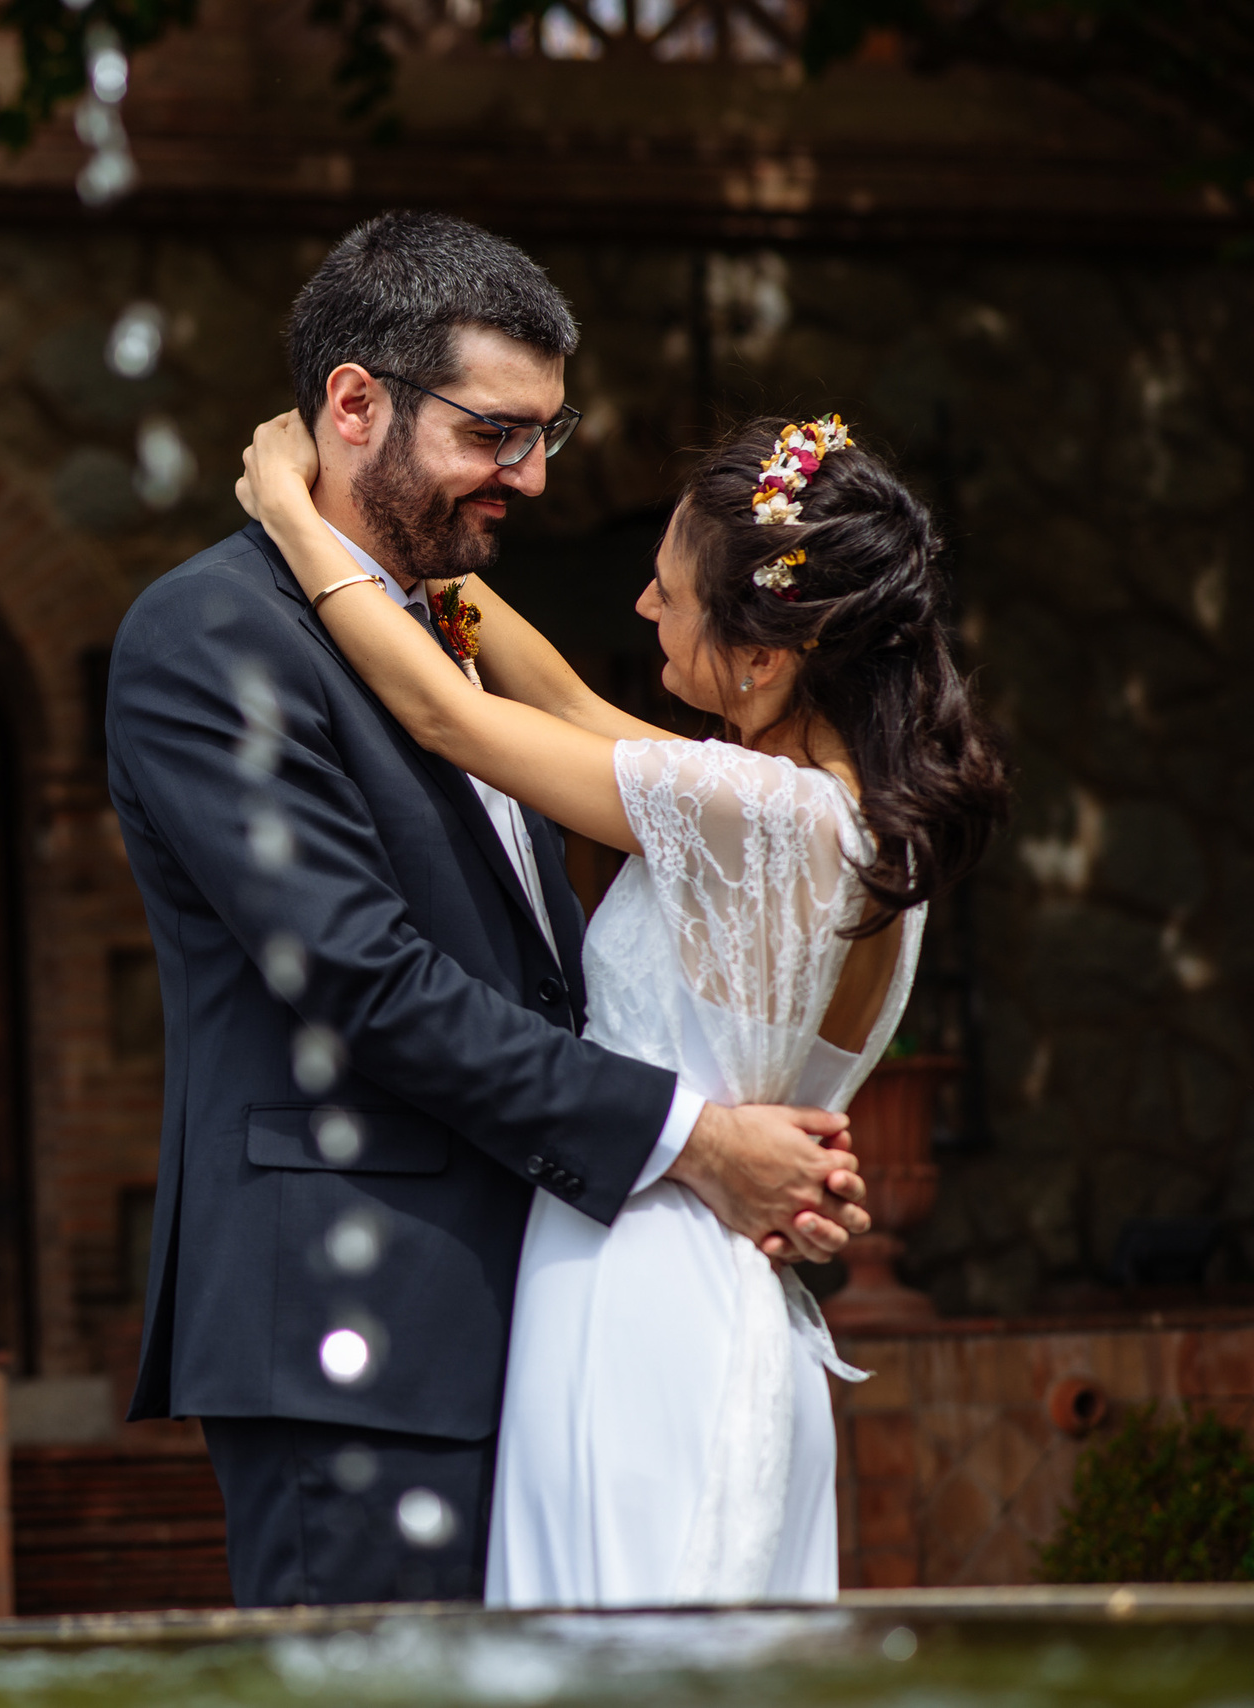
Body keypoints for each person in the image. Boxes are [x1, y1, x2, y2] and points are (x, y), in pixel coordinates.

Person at [102, 209, 879, 1609]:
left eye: (544, 434)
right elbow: (368, 981)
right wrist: (698, 1142)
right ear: (354, 404)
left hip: (548, 1313)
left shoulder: (447, 635)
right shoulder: (212, 637)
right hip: (358, 1328)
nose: (530, 474)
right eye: (494, 433)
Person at [234, 398, 1010, 1601]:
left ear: (764, 655)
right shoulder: (847, 826)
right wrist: (421, 560)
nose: (643, 606)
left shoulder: (754, 814)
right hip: (715, 1289)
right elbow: (571, 709)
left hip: (645, 1298)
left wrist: (293, 513)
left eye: (669, 592)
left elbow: (449, 715)